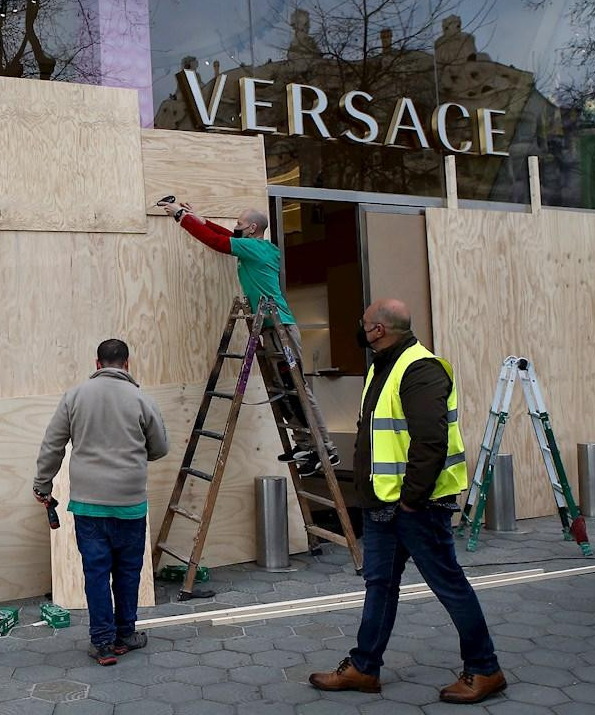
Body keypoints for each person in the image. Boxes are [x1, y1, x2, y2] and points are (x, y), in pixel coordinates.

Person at [308, 299, 505, 705]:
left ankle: (486, 669)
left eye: (364, 324)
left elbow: (430, 440)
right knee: (380, 584)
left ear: (379, 330)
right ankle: (364, 667)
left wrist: (413, 500)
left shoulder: (420, 369)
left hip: (416, 506)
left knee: (447, 583)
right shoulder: (383, 365)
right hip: (383, 503)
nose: (359, 330)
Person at [158, 201, 336, 475]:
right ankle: (305, 444)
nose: (236, 228)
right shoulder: (255, 247)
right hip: (270, 327)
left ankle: (324, 449)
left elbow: (217, 242)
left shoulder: (255, 248)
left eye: (240, 224)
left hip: (280, 328)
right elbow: (224, 236)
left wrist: (181, 217)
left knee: (296, 387)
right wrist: (197, 218)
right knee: (285, 391)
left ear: (253, 228)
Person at [33, 339, 170, 666]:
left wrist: (42, 485)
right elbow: (160, 447)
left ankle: (103, 643)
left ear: (97, 364)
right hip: (130, 505)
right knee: (128, 572)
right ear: (126, 363)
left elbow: (52, 445)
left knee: (96, 573)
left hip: (88, 507)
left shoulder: (75, 397)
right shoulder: (140, 399)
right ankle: (126, 634)